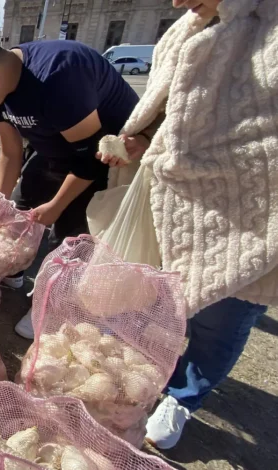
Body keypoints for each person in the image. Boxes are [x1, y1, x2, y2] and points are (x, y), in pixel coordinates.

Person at [96, 0, 276, 450]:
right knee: (161, 306)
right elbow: (172, 121)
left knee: (225, 313)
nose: (176, 2)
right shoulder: (183, 31)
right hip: (176, 207)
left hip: (252, 215)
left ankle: (184, 395)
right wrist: (139, 142)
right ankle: (155, 378)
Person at [0, 32, 139, 338]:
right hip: (53, 150)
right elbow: (10, 150)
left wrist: (56, 206)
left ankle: (53, 310)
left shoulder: (58, 78)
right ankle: (15, 272)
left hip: (100, 158)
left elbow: (88, 159)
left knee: (68, 239)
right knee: (15, 210)